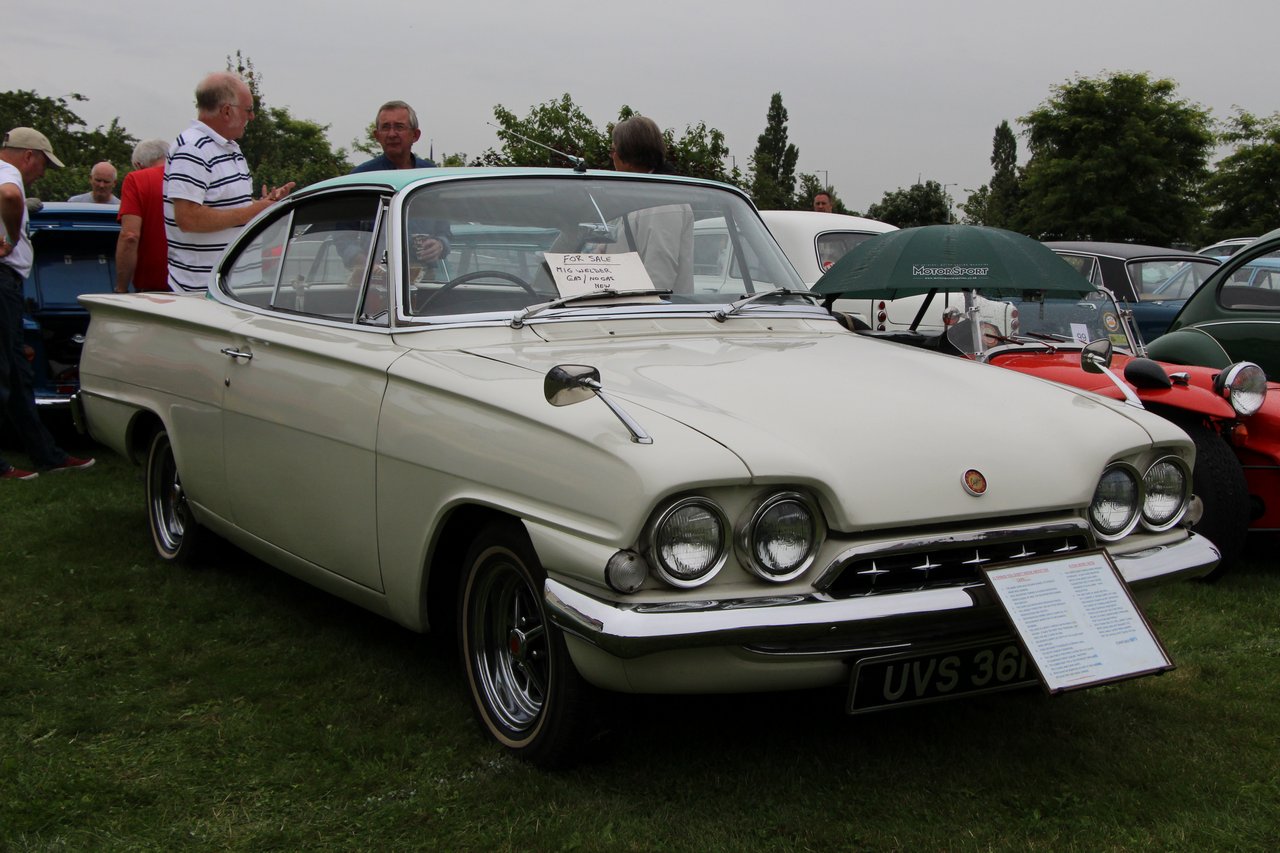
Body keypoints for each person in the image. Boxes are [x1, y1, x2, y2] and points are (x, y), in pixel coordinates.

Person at [0, 128, 95, 480]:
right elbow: (9, 196)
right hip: (2, 280)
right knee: (4, 373)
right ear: (29, 156)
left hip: (7, 282)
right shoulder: (9, 175)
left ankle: (46, 454)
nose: (41, 174)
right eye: (43, 165)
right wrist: (12, 237)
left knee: (17, 374)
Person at [164, 72, 294, 292]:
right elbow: (187, 218)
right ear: (226, 111)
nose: (252, 117)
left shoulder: (229, 148)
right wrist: (253, 211)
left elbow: (225, 206)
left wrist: (264, 204)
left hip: (231, 287)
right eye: (248, 110)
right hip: (203, 290)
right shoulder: (193, 149)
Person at [350, 100, 447, 266]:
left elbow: (444, 231)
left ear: (415, 135)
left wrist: (440, 245)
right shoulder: (361, 178)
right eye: (385, 127)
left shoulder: (431, 177)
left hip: (427, 277)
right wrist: (366, 265)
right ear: (377, 136)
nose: (392, 134)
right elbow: (343, 237)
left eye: (399, 127)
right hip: (374, 277)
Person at [606, 115, 693, 293]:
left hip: (645, 308)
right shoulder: (638, 196)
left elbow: (659, 274)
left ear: (627, 156)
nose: (612, 156)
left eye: (613, 150)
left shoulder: (664, 200)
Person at [115, 139, 170, 292]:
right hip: (197, 285)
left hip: (154, 287)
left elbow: (130, 236)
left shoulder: (136, 180)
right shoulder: (194, 179)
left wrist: (121, 288)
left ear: (138, 165)